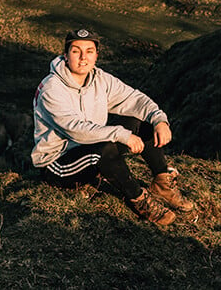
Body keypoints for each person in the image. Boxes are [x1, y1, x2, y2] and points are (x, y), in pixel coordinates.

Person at [31, 28, 193, 225]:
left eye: (89, 51)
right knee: (104, 148)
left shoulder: (99, 78)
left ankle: (162, 183)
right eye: (76, 51)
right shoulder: (52, 88)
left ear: (97, 55)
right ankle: (139, 199)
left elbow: (133, 99)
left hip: (89, 148)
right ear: (65, 55)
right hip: (58, 163)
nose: (83, 58)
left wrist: (159, 119)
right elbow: (75, 129)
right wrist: (120, 134)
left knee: (140, 124)